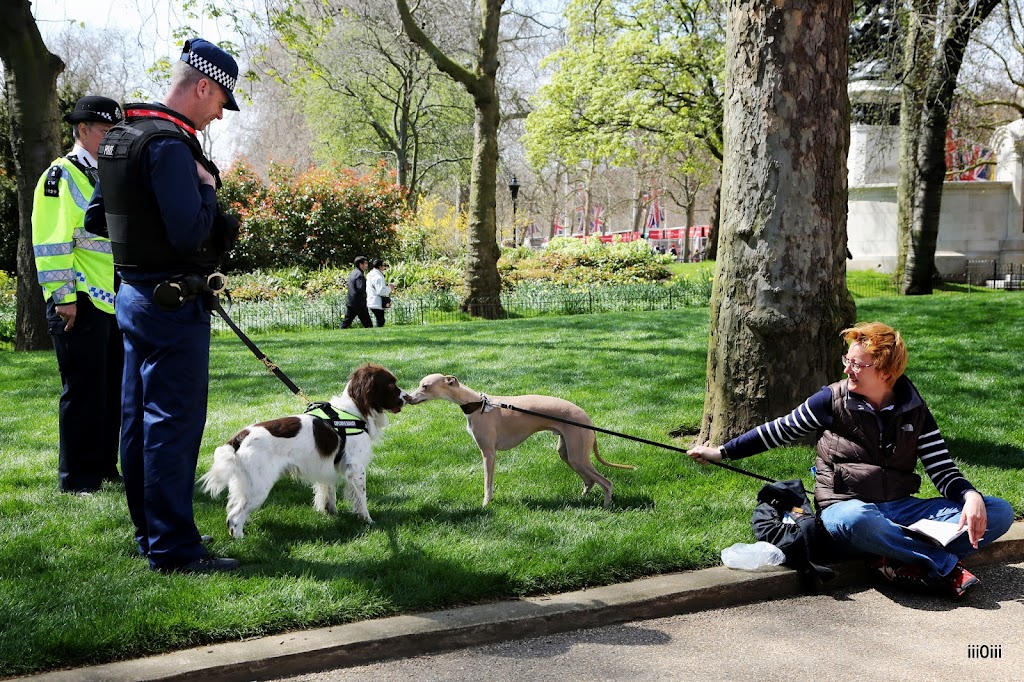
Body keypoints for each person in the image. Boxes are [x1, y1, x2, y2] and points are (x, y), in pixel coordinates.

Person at [687, 322, 1014, 598]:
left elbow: (941, 467)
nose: (847, 368)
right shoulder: (830, 400)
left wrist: (970, 496)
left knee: (997, 511)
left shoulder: (914, 408)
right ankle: (941, 565)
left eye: (858, 364)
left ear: (885, 372)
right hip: (846, 511)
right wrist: (721, 452)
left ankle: (893, 557)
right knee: (859, 519)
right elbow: (779, 430)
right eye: (848, 359)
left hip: (901, 508)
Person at [84, 38, 242, 574]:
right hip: (172, 306)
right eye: (221, 101)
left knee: (137, 425)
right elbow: (191, 234)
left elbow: (96, 220)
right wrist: (208, 188)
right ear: (202, 85)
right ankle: (174, 549)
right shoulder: (172, 146)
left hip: (131, 297)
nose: (220, 114)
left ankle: (148, 535)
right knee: (171, 427)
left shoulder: (122, 135)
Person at [32, 96, 125, 494]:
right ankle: (76, 478)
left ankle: (104, 468)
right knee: (83, 391)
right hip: (79, 300)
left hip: (112, 299)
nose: (110, 140)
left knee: (110, 392)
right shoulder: (60, 176)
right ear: (83, 130)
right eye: (105, 132)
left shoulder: (108, 173)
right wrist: (63, 296)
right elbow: (51, 241)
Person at [340, 255, 372, 328]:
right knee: (368, 323)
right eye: (365, 263)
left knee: (346, 321)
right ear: (360, 264)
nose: (367, 265)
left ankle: (339, 332)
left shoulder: (353, 273)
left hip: (351, 301)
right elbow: (360, 288)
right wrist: (366, 295)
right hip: (359, 303)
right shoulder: (359, 275)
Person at [366, 258, 393, 327]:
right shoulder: (378, 277)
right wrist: (390, 288)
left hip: (371, 300)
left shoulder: (370, 275)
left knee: (380, 320)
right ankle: (377, 335)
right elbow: (380, 291)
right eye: (383, 266)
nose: (384, 267)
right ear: (380, 267)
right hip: (377, 302)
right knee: (381, 321)